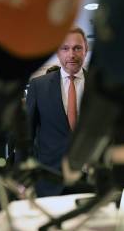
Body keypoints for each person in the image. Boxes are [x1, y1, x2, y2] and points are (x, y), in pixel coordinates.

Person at [26, 27, 87, 197]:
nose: (71, 55)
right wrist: (23, 181)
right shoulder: (38, 86)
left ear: (86, 49)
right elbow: (27, 137)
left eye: (77, 48)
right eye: (65, 48)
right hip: (49, 181)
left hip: (90, 179)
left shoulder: (99, 87)